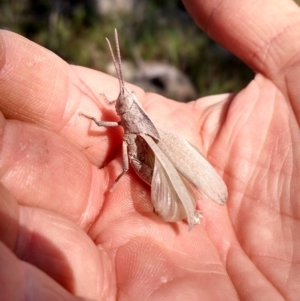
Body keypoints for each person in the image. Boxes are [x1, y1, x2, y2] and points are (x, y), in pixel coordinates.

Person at [1, 0, 300, 299]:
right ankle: (186, 205)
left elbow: (130, 164)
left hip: (151, 155)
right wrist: (102, 112)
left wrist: (115, 172)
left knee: (145, 161)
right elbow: (120, 118)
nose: (121, 101)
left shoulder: (129, 123)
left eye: (123, 100)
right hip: (147, 144)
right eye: (121, 100)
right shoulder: (126, 117)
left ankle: (187, 210)